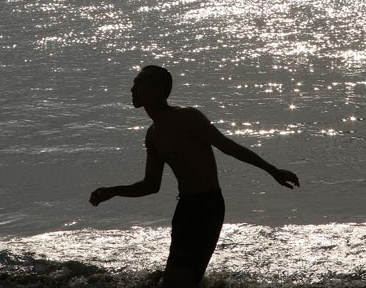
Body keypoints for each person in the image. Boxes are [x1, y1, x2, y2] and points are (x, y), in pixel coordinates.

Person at [89, 65, 300, 287]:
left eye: (139, 83)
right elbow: (151, 185)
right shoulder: (153, 135)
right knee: (176, 279)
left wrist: (272, 170)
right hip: (185, 209)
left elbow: (227, 146)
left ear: (159, 89)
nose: (132, 89)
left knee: (181, 280)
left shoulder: (187, 117)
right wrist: (113, 191)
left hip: (208, 207)